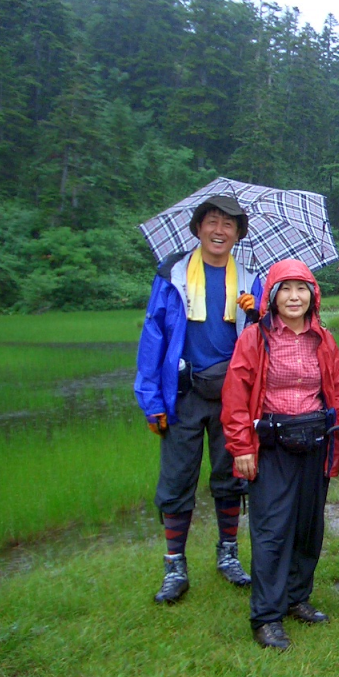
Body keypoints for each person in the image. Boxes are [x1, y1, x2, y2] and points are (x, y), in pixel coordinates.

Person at [221, 259, 339, 650]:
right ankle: (266, 616)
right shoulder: (255, 338)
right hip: (271, 445)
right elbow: (236, 396)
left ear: (313, 295)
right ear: (271, 296)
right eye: (285, 289)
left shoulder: (323, 338)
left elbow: (337, 390)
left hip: (317, 443)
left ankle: (296, 598)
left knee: (308, 526)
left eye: (301, 288)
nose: (294, 296)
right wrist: (240, 447)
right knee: (272, 529)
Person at [135, 194, 261, 605]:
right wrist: (151, 398)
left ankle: (228, 555)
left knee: (231, 477)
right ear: (198, 228)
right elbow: (154, 335)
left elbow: (266, 336)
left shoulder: (249, 277)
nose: (219, 230)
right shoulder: (171, 273)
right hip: (184, 392)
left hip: (232, 393)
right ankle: (175, 565)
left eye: (228, 224)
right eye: (211, 221)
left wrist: (256, 313)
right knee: (176, 480)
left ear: (238, 233)